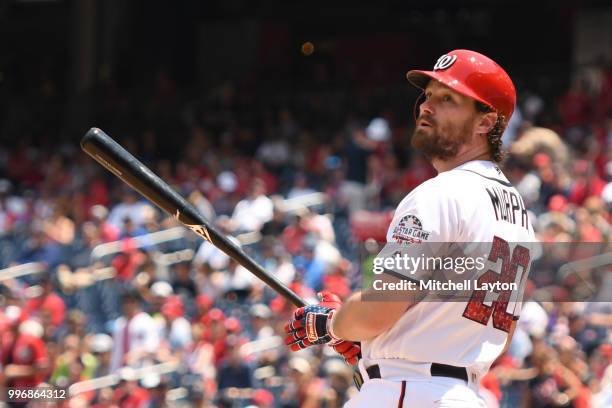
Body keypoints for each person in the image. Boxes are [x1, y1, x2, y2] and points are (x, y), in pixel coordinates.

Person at [284, 50, 537, 407]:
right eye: (428, 95)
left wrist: (330, 324)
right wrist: (379, 343)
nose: (426, 107)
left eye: (447, 99)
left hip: (407, 392)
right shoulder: (518, 213)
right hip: (460, 394)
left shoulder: (441, 193)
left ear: (486, 122)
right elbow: (497, 334)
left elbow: (377, 311)